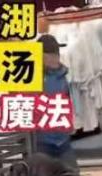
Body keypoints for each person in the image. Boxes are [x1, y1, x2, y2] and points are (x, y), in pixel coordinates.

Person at [36, 34, 78, 168]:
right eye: (52, 55)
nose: (56, 58)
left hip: (63, 141)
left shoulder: (62, 74)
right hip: (42, 143)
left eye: (57, 55)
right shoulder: (32, 78)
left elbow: (66, 100)